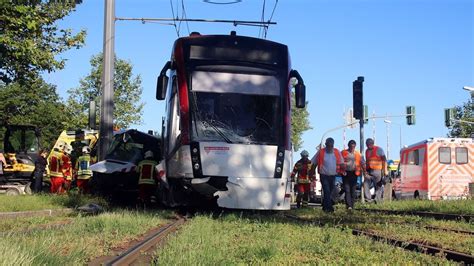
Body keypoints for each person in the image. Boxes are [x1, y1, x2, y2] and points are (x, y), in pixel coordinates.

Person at [311, 138, 344, 213]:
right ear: (325, 145)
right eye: (328, 145)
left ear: (333, 145)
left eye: (331, 145)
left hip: (333, 175)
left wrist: (343, 171)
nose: (329, 147)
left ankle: (325, 206)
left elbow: (341, 163)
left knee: (330, 191)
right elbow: (314, 163)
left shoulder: (337, 152)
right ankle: (329, 208)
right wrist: (312, 173)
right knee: (327, 191)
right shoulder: (321, 152)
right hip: (324, 175)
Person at [341, 140, 363, 210]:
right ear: (348, 146)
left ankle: (352, 205)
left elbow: (363, 162)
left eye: (353, 146)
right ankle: (348, 206)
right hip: (346, 173)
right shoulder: (343, 153)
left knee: (353, 190)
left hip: (354, 173)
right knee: (347, 190)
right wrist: (341, 170)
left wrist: (365, 172)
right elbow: (339, 162)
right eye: (351, 146)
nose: (352, 148)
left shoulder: (358, 154)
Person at [364, 138, 388, 203]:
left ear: (372, 143)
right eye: (367, 144)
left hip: (377, 171)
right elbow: (367, 161)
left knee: (378, 186)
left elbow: (384, 160)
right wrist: (365, 171)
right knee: (366, 184)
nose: (368, 146)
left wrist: (385, 171)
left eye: (370, 144)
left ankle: (377, 200)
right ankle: (368, 199)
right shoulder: (367, 151)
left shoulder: (379, 149)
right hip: (369, 171)